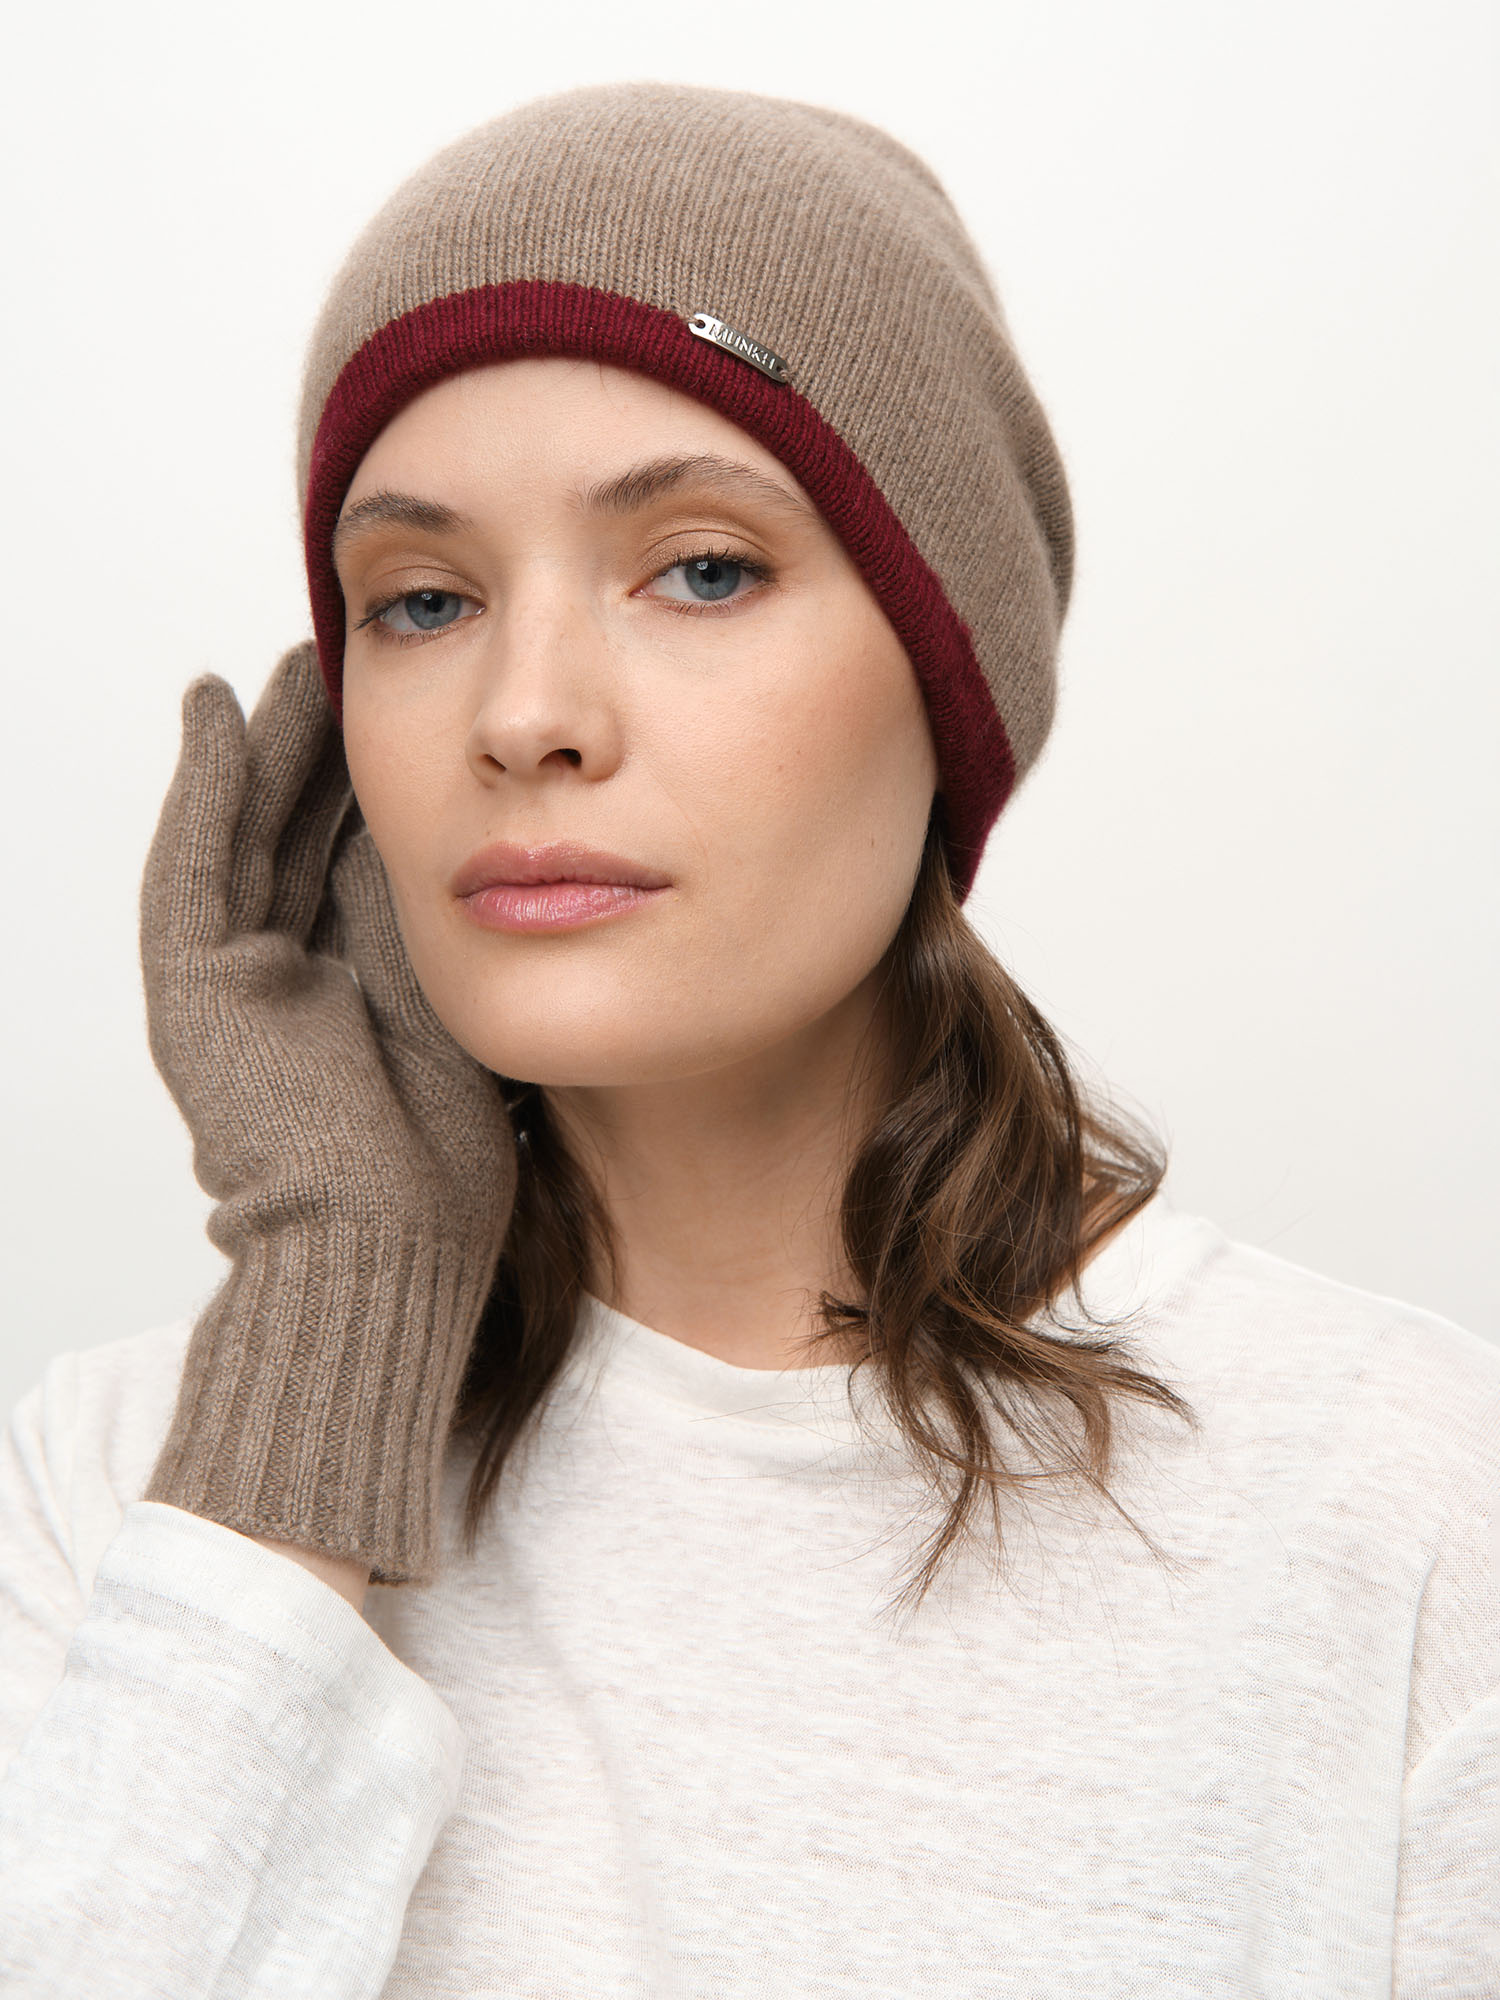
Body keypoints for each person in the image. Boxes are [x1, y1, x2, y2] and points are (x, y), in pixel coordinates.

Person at [0, 80, 1494, 1999]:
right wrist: (337, 1306)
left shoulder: (1403, 1507)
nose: (524, 714)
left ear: (947, 679)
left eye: (702, 568)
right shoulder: (138, 1494)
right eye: (424, 600)